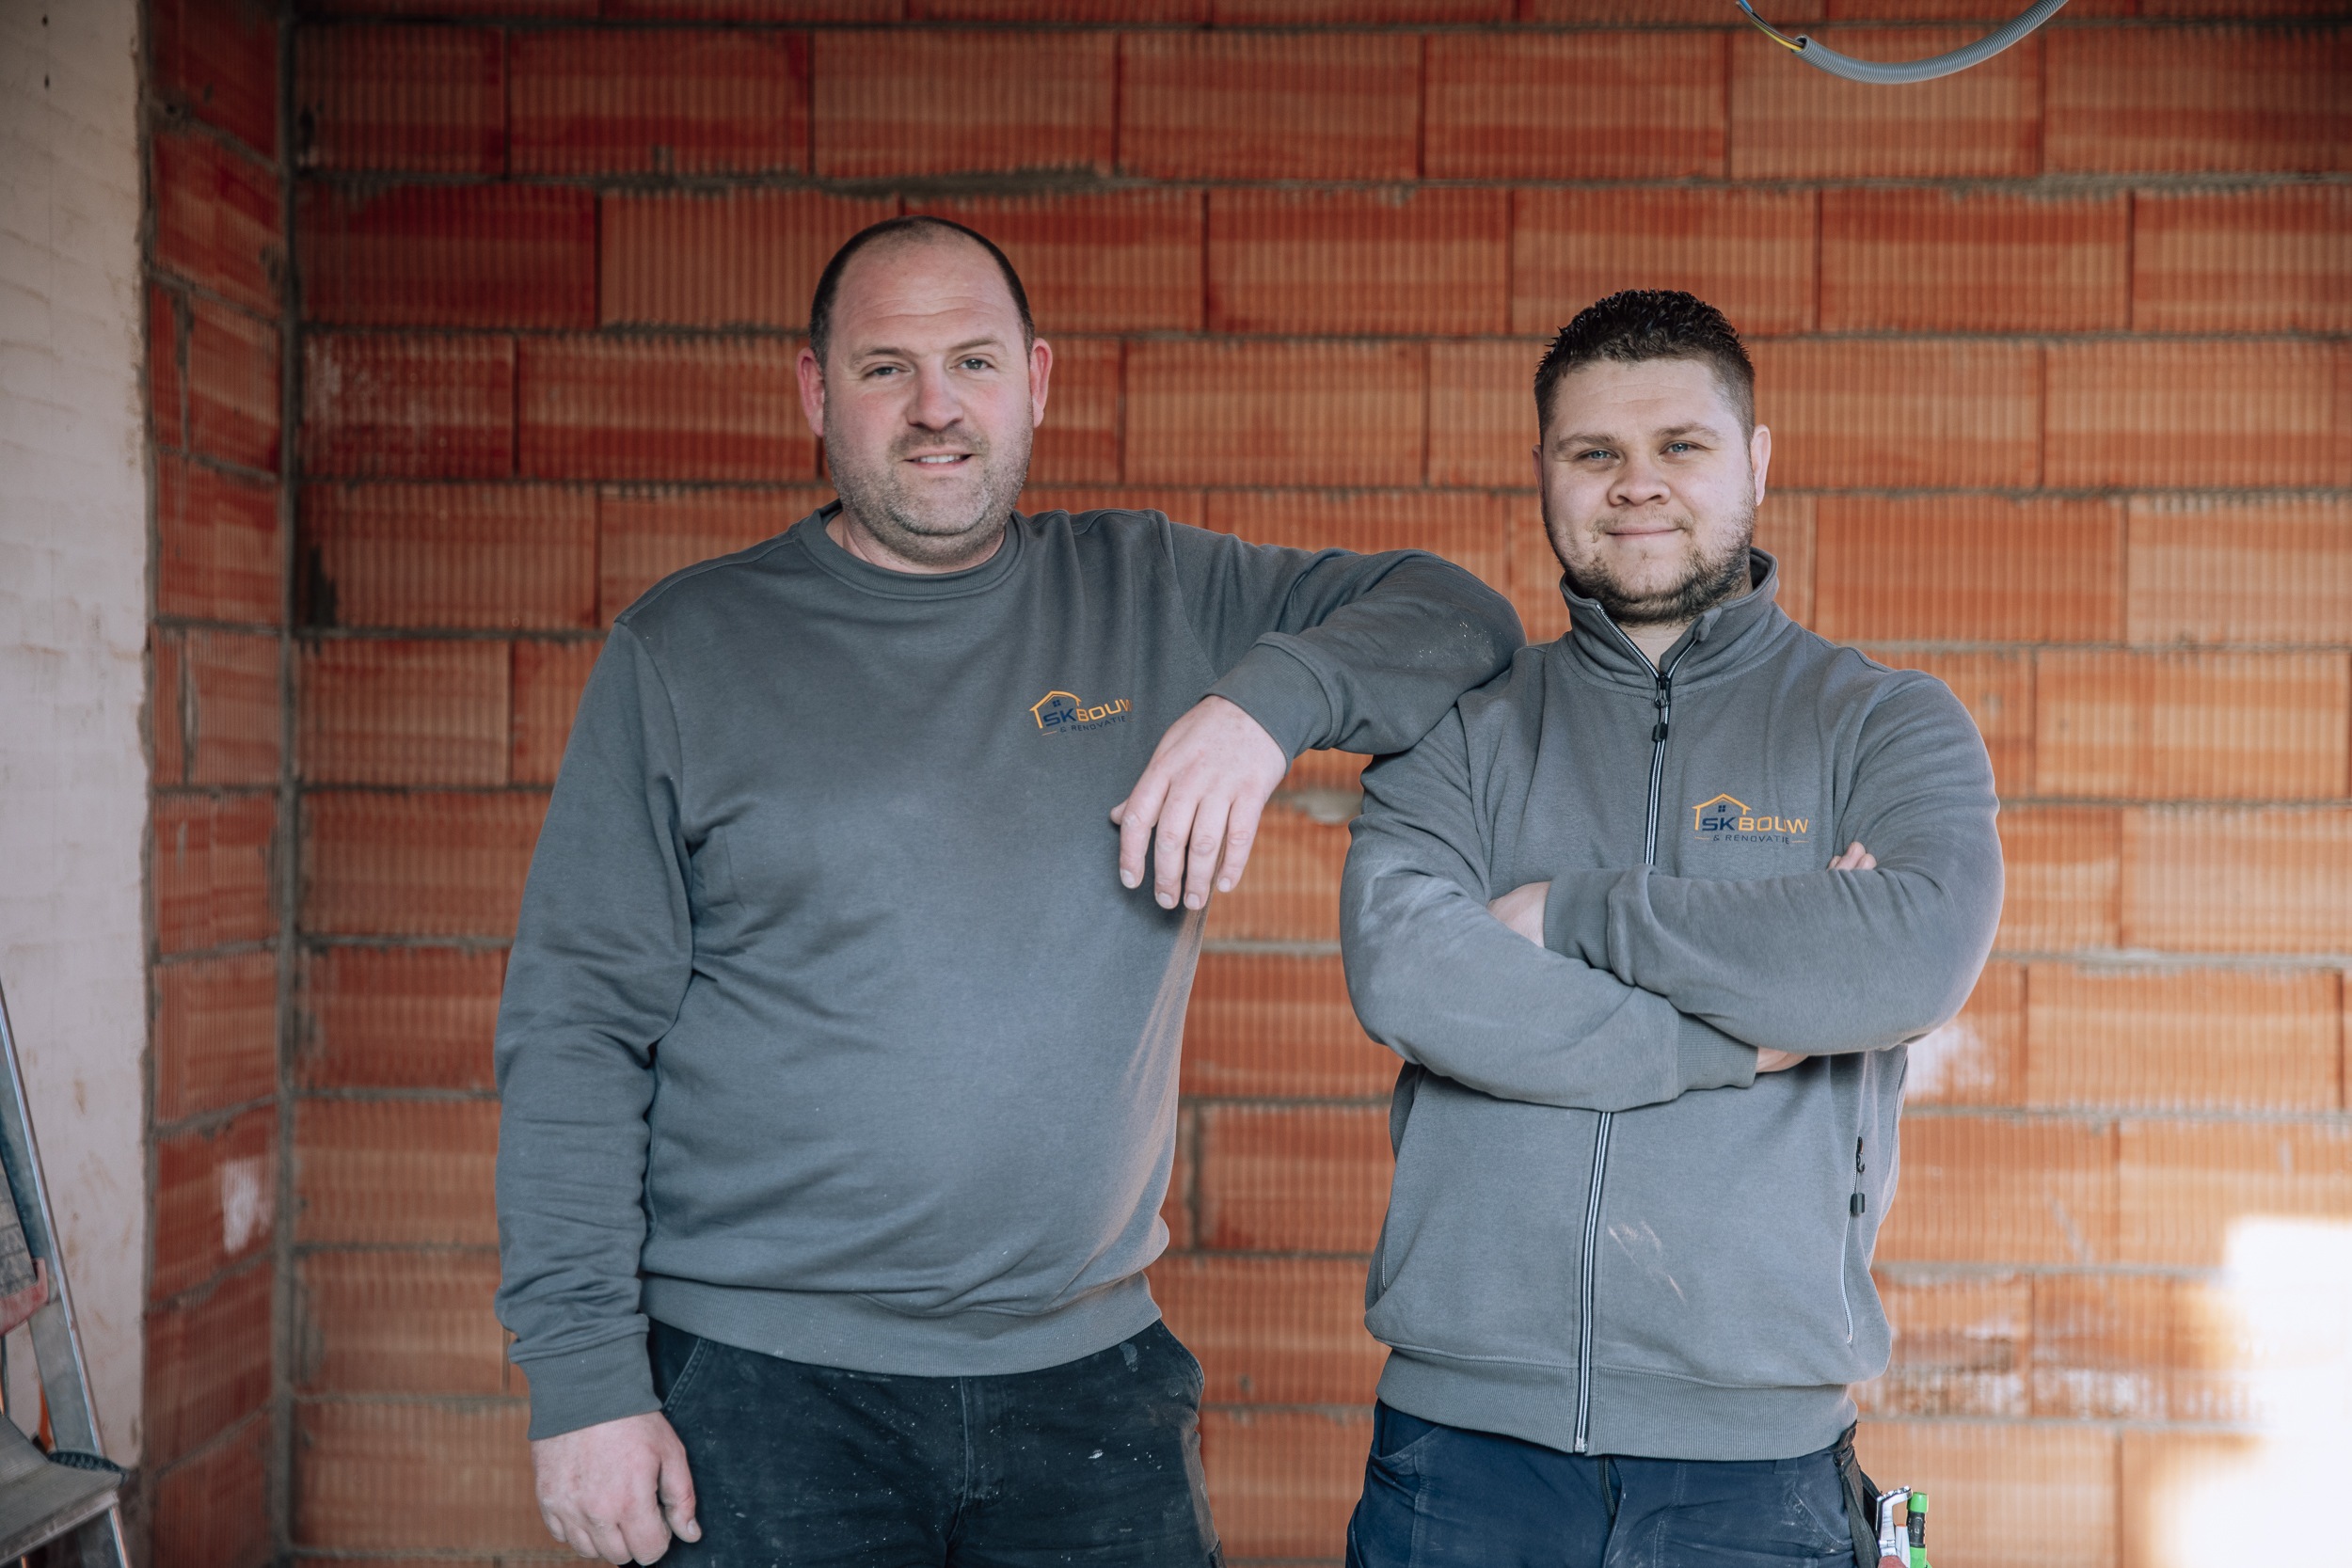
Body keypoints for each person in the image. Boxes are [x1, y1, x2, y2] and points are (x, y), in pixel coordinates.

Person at [494, 214, 1524, 1568]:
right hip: (759, 1391)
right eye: (886, 369)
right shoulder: (685, 650)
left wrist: (1267, 706)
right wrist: (582, 1382)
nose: (936, 408)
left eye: (973, 363)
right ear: (815, 390)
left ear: (1035, 381)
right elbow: (576, 1028)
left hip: (1090, 1388)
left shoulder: (1156, 592)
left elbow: (1463, 617)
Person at [1337, 290, 2003, 1568]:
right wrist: (1740, 1036)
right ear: (1545, 470)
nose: (1635, 483)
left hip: (1756, 1470)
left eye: (1680, 446)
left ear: (1756, 461)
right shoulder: (1460, 728)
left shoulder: (1885, 724)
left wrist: (1568, 913)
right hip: (1460, 1456)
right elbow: (1412, 975)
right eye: (1595, 451)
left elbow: (1905, 953)